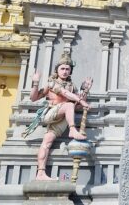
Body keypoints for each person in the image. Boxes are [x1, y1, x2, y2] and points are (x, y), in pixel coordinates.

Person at [24, 53, 93, 181]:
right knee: (68, 105)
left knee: (46, 142)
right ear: (57, 70)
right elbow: (34, 98)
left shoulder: (72, 87)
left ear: (70, 71)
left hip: (61, 119)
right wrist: (35, 83)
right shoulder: (51, 83)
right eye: (62, 68)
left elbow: (77, 105)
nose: (65, 71)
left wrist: (85, 91)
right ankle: (72, 129)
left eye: (68, 69)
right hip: (51, 113)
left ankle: (40, 173)